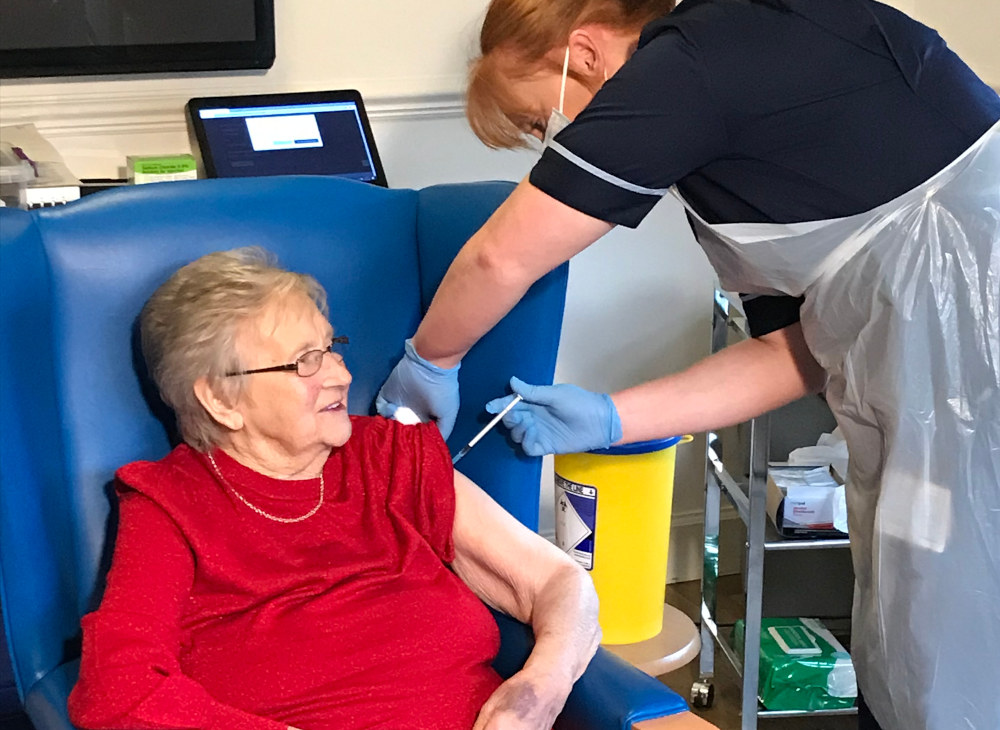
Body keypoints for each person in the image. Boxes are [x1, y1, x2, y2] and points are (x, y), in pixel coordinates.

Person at [375, 1, 1000, 729]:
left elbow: (500, 255)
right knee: (923, 629)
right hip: (929, 374)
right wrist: (612, 418)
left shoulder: (698, 58)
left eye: (550, 118)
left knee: (956, 643)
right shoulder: (739, 118)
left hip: (972, 351)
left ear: (585, 52)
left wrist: (433, 356)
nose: (570, 139)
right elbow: (795, 352)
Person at [67, 247, 603, 730]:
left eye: (331, 347)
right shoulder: (170, 505)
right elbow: (118, 692)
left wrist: (539, 692)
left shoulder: (392, 457)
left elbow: (559, 582)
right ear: (221, 401)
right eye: (305, 362)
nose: (341, 377)